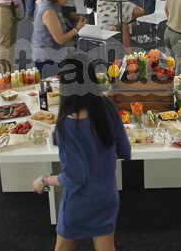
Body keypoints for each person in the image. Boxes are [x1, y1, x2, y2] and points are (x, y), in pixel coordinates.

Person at [31, 69, 131, 251]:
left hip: (79, 202)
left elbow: (74, 178)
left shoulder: (66, 127)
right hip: (106, 196)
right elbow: (124, 150)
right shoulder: (107, 107)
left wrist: (44, 180)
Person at [33, 0, 86, 79]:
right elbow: (60, 39)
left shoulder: (47, 2)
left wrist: (72, 16)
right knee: (55, 90)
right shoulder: (49, 11)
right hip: (49, 58)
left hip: (49, 54)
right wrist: (77, 28)